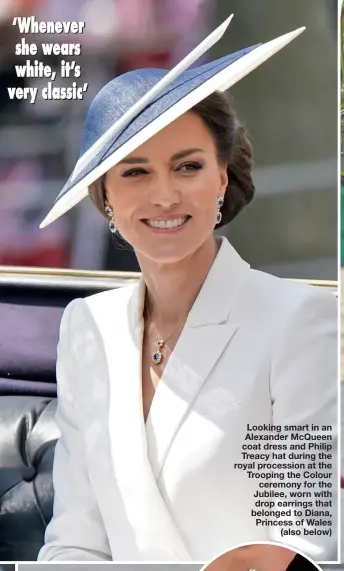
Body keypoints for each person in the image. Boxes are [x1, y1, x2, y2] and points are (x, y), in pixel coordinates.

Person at [37, 17, 337, 562]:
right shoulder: (87, 327)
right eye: (135, 173)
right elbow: (73, 542)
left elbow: (303, 546)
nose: (165, 195)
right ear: (105, 197)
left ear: (221, 178)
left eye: (188, 166)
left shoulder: (299, 319)